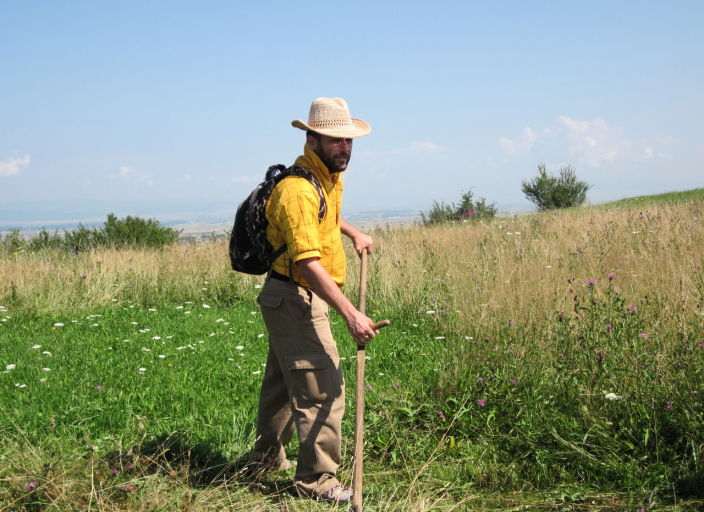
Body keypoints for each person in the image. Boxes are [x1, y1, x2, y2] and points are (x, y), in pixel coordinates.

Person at [244, 97, 378, 503]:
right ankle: (318, 480)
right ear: (312, 138)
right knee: (324, 388)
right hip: (297, 295)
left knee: (283, 386)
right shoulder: (298, 189)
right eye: (336, 140)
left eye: (349, 140)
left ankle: (264, 461)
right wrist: (352, 313)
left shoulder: (324, 179)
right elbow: (306, 263)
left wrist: (352, 232)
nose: (345, 148)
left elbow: (326, 216)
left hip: (289, 298)